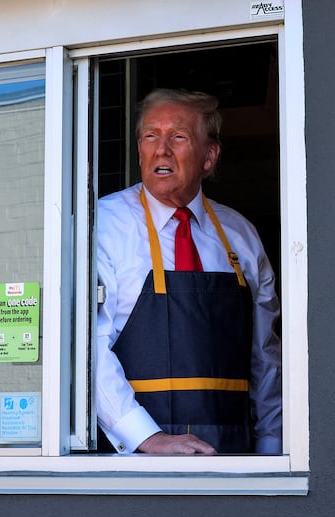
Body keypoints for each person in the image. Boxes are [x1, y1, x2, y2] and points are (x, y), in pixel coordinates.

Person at [96, 88, 282, 455]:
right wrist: (145, 437)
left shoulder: (240, 234)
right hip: (135, 463)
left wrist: (272, 446)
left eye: (177, 137)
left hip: (235, 458)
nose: (161, 150)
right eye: (150, 136)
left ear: (209, 156)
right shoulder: (103, 224)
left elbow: (265, 354)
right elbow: (87, 347)